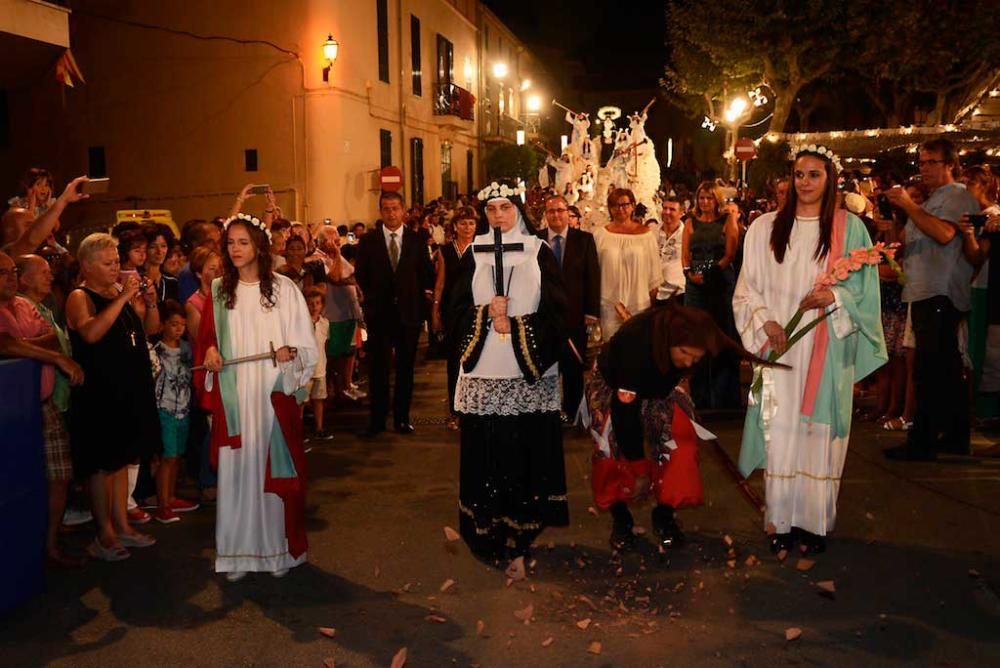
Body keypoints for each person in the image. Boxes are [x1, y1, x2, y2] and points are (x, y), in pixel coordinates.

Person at [733, 145, 887, 556]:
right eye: (799, 174)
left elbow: (864, 291)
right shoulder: (764, 228)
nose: (804, 182)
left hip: (825, 348)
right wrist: (766, 321)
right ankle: (780, 521)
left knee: (817, 436)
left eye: (814, 174)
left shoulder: (850, 228)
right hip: (780, 346)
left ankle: (814, 523)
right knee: (781, 434)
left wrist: (833, 297)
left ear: (829, 179)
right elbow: (747, 287)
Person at [587, 303, 778, 551]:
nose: (688, 362)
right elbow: (626, 416)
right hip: (616, 384)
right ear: (669, 342)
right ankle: (621, 517)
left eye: (695, 358)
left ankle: (665, 514)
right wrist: (640, 469)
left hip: (663, 386)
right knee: (610, 452)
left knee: (681, 443)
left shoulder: (696, 342)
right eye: (684, 353)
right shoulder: (635, 344)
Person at [451, 178, 569, 564]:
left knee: (523, 449)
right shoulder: (473, 253)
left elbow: (559, 312)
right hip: (483, 370)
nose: (498, 216)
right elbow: (452, 314)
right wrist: (485, 314)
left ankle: (523, 527)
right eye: (490, 209)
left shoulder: (538, 251)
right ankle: (485, 529)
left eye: (505, 208)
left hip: (525, 371)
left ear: (518, 209)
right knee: (488, 451)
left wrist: (518, 325)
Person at [195, 213, 317, 581]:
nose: (235, 249)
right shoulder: (218, 290)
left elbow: (304, 343)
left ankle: (275, 552)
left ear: (259, 247)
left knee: (267, 470)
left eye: (242, 242)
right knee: (237, 474)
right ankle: (236, 555)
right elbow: (207, 342)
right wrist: (211, 355)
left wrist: (289, 352)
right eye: (230, 242)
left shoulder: (283, 289)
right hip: (235, 395)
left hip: (270, 393)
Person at [65, 233, 161, 561]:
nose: (115, 268)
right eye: (108, 263)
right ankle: (103, 532)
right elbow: (90, 333)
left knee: (122, 460)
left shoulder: (118, 292)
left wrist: (149, 303)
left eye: (117, 261)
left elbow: (150, 329)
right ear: (88, 266)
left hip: (127, 388)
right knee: (101, 464)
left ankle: (122, 525)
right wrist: (121, 299)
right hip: (98, 392)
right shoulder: (80, 296)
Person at [883, 139, 979, 460]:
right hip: (924, 289)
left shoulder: (956, 196)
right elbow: (911, 238)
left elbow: (945, 234)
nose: (923, 168)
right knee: (942, 369)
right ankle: (950, 436)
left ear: (950, 164)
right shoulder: (934, 199)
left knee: (931, 369)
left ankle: (924, 439)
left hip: (941, 290)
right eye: (921, 162)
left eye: (931, 162)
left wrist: (910, 206)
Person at [0, 251, 85, 566]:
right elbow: (4, 344)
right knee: (17, 482)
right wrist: (48, 354)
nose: (10, 277)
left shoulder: (25, 305)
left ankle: (50, 543)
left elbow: (52, 339)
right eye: (3, 272)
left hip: (44, 404)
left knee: (59, 474)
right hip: (9, 415)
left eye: (12, 271)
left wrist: (23, 344)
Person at [354, 192, 435, 437]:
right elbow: (362, 276)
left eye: (395, 208)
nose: (391, 213)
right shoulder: (368, 241)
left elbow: (426, 275)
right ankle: (377, 420)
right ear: (380, 211)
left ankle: (402, 418)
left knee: (405, 369)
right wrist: (372, 302)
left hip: (408, 314)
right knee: (378, 370)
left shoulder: (416, 240)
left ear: (403, 211)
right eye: (386, 209)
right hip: (379, 315)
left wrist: (419, 305)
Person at [540, 194, 600, 421]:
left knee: (573, 368)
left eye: (560, 210)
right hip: (544, 316)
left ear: (568, 213)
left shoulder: (584, 240)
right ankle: (548, 411)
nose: (556, 215)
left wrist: (591, 311)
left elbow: (592, 277)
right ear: (546, 215)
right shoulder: (536, 241)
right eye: (551, 211)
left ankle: (573, 412)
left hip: (575, 316)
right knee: (546, 366)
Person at [683, 181, 741, 409]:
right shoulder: (690, 222)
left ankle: (724, 398)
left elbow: (730, 254)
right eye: (702, 198)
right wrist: (689, 273)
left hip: (719, 283)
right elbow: (685, 253)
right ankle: (699, 398)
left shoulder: (727, 221)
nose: (705, 202)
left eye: (709, 198)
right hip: (695, 286)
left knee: (720, 336)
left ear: (717, 199)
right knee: (696, 339)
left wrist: (709, 274)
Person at [592, 188, 663, 340]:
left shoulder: (646, 236)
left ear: (632, 206)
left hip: (638, 304)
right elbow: (593, 273)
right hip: (609, 306)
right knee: (612, 351)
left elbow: (654, 273)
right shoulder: (600, 235)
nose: (621, 209)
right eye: (615, 205)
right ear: (610, 208)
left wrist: (650, 306)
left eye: (625, 205)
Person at [151, 299, 198, 524]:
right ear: (162, 325)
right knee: (167, 458)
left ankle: (171, 496)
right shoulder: (156, 351)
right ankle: (162, 504)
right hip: (165, 409)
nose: (179, 329)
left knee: (177, 456)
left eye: (182, 324)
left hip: (184, 408)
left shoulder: (187, 349)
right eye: (173, 324)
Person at [431, 206, 477, 429]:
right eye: (463, 223)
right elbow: (439, 283)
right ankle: (455, 411)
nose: (467, 227)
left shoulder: (482, 248)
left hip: (477, 312)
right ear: (455, 226)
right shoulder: (445, 251)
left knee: (475, 363)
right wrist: (435, 311)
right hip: (452, 312)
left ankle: (474, 410)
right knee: (454, 364)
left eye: (471, 223)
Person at [313, 226, 365, 403]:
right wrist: (336, 254)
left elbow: (351, 275)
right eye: (333, 241)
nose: (336, 244)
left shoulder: (336, 256)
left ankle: (345, 386)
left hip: (348, 312)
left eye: (337, 241)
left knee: (348, 351)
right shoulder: (319, 258)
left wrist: (354, 286)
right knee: (333, 356)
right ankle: (333, 390)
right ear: (322, 241)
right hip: (333, 314)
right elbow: (335, 277)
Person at [304, 287, 333, 440]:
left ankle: (319, 427)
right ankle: (298, 430)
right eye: (310, 303)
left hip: (320, 367)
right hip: (305, 368)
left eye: (317, 303)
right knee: (302, 400)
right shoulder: (301, 323)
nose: (314, 306)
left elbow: (325, 344)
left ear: (322, 305)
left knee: (319, 399)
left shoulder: (325, 323)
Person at [655, 197, 686, 306]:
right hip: (655, 293)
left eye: (672, 209)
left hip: (679, 294)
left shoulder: (687, 235)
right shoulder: (652, 233)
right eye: (665, 208)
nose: (667, 212)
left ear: (681, 213)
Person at [143, 223, 180, 304]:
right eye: (153, 246)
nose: (159, 252)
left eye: (163, 246)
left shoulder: (172, 282)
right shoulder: (136, 280)